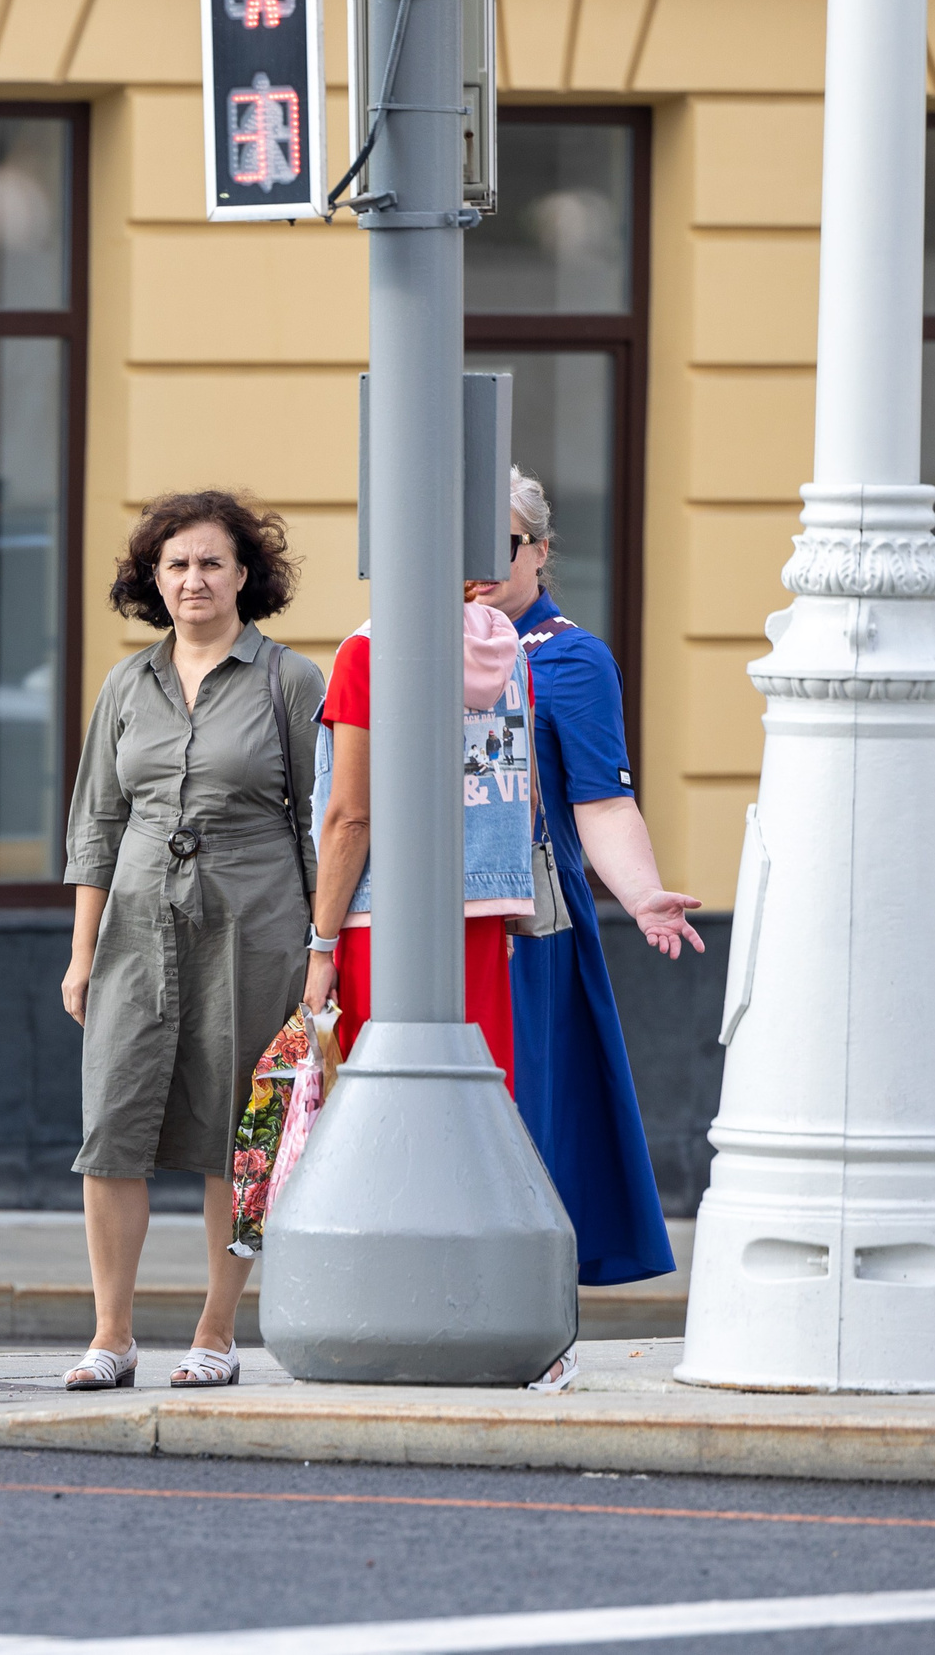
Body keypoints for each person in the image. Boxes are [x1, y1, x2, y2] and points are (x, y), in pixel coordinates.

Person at [61, 491, 324, 1393]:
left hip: (255, 924)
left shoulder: (290, 680)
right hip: (136, 923)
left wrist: (321, 948)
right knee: (111, 1127)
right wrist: (81, 950)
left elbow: (320, 827)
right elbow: (96, 819)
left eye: (211, 562)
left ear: (246, 575)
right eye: (176, 564)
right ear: (154, 580)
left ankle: (216, 1330)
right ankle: (111, 1335)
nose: (193, 579)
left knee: (233, 1133)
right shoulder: (126, 686)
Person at [476, 470, 694, 1295]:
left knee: (532, 1121)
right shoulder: (406, 644)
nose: (480, 564)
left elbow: (602, 799)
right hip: (420, 922)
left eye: (499, 543)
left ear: (537, 549)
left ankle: (527, 1311)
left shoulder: (567, 656)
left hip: (526, 927)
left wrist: (642, 894)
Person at [303, 588, 533, 1087]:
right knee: (479, 1109)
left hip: (380, 924)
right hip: (483, 921)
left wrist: (321, 950)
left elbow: (351, 818)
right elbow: (526, 793)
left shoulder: (366, 653)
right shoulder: (507, 654)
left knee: (381, 1111)